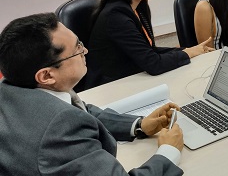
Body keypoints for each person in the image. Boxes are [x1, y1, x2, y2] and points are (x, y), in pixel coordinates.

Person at [0, 13, 184, 176]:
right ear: (47, 75)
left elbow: (81, 111)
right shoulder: (59, 129)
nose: (85, 51)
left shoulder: (12, 87)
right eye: (77, 49)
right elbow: (67, 122)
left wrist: (138, 125)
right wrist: (168, 152)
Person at [89, 0, 213, 87]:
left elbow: (149, 51)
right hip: (110, 89)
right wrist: (188, 52)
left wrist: (188, 50)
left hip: (133, 79)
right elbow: (154, 64)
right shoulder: (115, 18)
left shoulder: (138, 7)